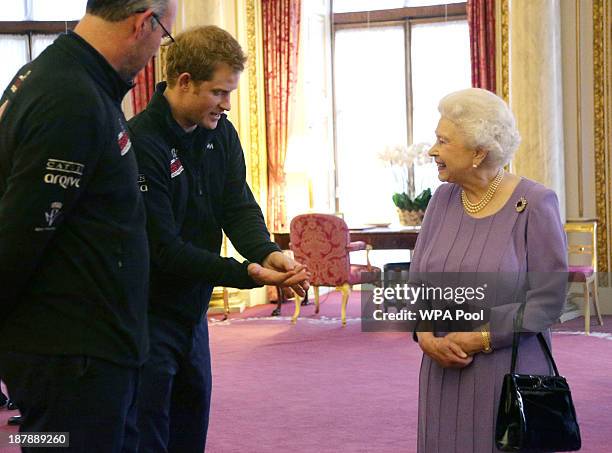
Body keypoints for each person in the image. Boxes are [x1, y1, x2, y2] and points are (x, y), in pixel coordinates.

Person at [0, 1, 177, 451]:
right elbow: (20, 234)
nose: (158, 49)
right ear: (144, 23)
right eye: (163, 36)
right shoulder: (71, 96)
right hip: (72, 362)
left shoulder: (70, 79)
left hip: (88, 353)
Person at [127, 26, 310, 453]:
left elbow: (237, 207)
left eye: (230, 93)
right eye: (219, 92)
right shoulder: (140, 142)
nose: (227, 105)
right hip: (146, 318)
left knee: (191, 432)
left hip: (193, 317)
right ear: (185, 81)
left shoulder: (220, 132)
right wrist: (251, 274)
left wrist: (269, 251)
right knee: (150, 438)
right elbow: (165, 250)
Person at [410, 88, 568, 452]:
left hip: (507, 373)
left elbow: (549, 298)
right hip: (441, 370)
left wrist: (480, 337)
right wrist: (424, 334)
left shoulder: (534, 203)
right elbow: (417, 281)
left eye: (442, 141)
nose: (432, 150)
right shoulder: (441, 200)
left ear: (479, 151)